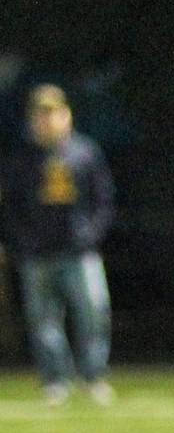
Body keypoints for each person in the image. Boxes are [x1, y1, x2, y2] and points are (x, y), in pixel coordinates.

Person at [0, 84, 115, 405]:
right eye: (40, 114)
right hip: (37, 253)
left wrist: (90, 233)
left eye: (52, 113)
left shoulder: (84, 153)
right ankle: (55, 379)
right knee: (43, 320)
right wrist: (21, 240)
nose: (47, 121)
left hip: (79, 251)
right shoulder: (22, 158)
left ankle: (92, 376)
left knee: (93, 312)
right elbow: (10, 205)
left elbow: (103, 199)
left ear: (66, 114)